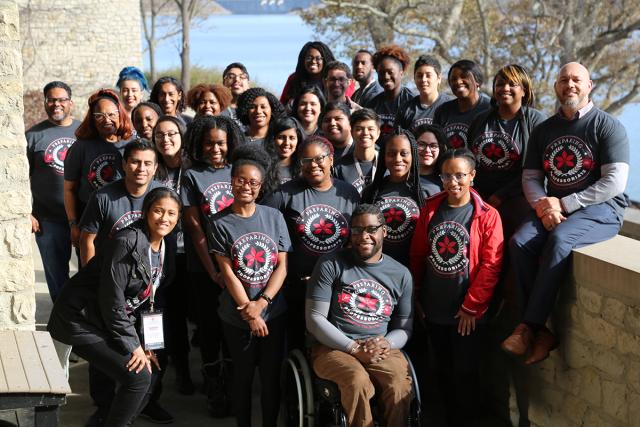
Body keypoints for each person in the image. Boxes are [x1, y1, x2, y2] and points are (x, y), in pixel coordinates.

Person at [502, 62, 630, 364]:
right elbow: (530, 178)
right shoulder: (544, 130)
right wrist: (543, 206)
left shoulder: (607, 126)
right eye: (563, 80)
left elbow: (615, 182)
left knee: (559, 240)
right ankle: (542, 332)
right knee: (520, 242)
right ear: (556, 87)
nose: (569, 85)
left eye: (576, 80)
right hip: (555, 208)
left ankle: (528, 327)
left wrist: (566, 204)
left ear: (589, 86)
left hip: (602, 210)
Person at [48, 187, 180, 427]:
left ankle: (111, 421)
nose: (165, 218)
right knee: (139, 378)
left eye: (172, 213)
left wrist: (146, 345)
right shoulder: (126, 241)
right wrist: (133, 345)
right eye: (158, 211)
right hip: (80, 318)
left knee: (151, 372)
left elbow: (146, 300)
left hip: (107, 317)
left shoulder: (164, 246)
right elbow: (112, 300)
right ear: (146, 212)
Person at [410, 148, 503, 426]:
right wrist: (416, 295)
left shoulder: (487, 215)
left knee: (466, 373)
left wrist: (471, 307)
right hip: (434, 308)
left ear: (472, 176)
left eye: (460, 175)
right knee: (442, 372)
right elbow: (417, 254)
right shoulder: (431, 208)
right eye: (447, 175)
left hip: (467, 313)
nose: (453, 182)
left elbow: (491, 265)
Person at [306, 203, 413, 427]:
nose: (364, 236)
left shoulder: (401, 274)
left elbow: (404, 327)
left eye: (371, 229)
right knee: (357, 381)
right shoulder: (331, 264)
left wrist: (386, 343)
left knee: (399, 385)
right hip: (334, 346)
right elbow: (315, 319)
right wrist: (353, 348)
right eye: (357, 230)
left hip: (380, 346)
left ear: (384, 231)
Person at [209, 146, 291, 427]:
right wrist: (249, 311)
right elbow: (228, 273)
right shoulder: (219, 222)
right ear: (231, 181)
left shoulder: (274, 216)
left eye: (253, 182)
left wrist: (263, 304)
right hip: (237, 316)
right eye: (241, 180)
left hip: (273, 313)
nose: (247, 186)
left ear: (261, 186)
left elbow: (282, 266)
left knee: (270, 378)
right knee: (242, 377)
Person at [263, 135, 360, 350]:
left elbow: (356, 242)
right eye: (306, 161)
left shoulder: (349, 193)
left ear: (331, 159)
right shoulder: (286, 193)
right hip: (297, 287)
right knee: (297, 346)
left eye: (319, 158)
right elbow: (260, 223)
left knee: (331, 347)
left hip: (336, 288)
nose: (313, 165)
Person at [181, 115, 244, 415]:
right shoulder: (192, 176)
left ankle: (233, 381)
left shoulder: (239, 170)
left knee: (232, 323)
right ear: (199, 144)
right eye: (209, 143)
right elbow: (195, 228)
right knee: (208, 326)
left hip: (240, 264)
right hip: (204, 266)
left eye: (220, 143)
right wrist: (212, 270)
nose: (215, 148)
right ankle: (214, 383)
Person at [467, 64, 546, 239]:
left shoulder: (536, 121)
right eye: (500, 84)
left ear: (524, 90)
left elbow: (536, 168)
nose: (505, 88)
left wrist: (501, 195)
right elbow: (468, 159)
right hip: (480, 197)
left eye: (512, 84)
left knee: (513, 242)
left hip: (518, 196)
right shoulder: (480, 119)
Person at [152, 115, 195, 395]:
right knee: (162, 315)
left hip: (190, 252)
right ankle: (158, 376)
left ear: (182, 136)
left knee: (184, 315)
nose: (166, 140)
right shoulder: (151, 168)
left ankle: (184, 368)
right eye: (160, 135)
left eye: (171, 134)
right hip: (158, 253)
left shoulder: (194, 169)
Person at [27, 81, 80, 302]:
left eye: (61, 100)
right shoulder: (33, 136)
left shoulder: (83, 131)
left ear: (70, 103)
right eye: (51, 100)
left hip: (83, 217)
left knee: (89, 272)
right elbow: (19, 178)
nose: (56, 104)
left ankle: (85, 320)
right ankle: (63, 322)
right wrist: (26, 212)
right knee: (57, 277)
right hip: (48, 219)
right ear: (45, 102)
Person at [64, 88, 133, 250]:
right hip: (90, 224)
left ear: (120, 114)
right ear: (92, 119)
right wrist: (73, 224)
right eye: (99, 116)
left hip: (124, 221)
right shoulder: (81, 147)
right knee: (91, 273)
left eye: (111, 114)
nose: (106, 119)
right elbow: (69, 189)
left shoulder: (131, 144)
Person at [361, 128, 425, 268]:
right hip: (378, 269)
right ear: (383, 157)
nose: (397, 159)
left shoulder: (425, 192)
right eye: (391, 154)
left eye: (404, 153)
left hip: (413, 269)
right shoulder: (371, 192)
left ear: (413, 155)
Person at [433, 59, 491, 149]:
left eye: (464, 76)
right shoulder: (442, 111)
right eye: (453, 79)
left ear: (477, 81)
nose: (458, 82)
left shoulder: (490, 108)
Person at [280, 41, 355, 107]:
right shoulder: (294, 78)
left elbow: (346, 100)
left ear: (325, 59)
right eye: (309, 58)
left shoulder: (340, 77)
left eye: (318, 58)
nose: (313, 61)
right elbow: (282, 104)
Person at [364, 45, 416, 135]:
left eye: (390, 72)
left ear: (401, 72)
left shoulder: (411, 101)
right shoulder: (373, 103)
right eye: (381, 73)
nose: (386, 77)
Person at [396, 55, 452, 132]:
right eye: (419, 76)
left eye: (428, 75)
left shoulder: (450, 106)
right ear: (414, 79)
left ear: (439, 78)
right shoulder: (405, 109)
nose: (423, 79)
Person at [334, 108, 380, 195]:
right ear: (352, 132)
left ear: (378, 133)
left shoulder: (387, 164)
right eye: (359, 129)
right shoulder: (339, 168)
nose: (365, 133)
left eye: (371, 129)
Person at [264, 116, 304, 187]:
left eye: (292, 138)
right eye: (281, 137)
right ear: (273, 140)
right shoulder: (264, 167)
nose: (286, 143)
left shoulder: (304, 167)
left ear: (298, 140)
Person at [414, 123, 447, 197]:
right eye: (421, 144)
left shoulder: (447, 181)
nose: (427, 150)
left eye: (433, 146)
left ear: (441, 149)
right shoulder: (402, 177)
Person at [222, 62, 251, 127]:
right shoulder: (215, 109)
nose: (236, 80)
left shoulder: (256, 109)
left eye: (242, 77)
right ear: (224, 83)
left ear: (248, 83)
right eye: (231, 77)